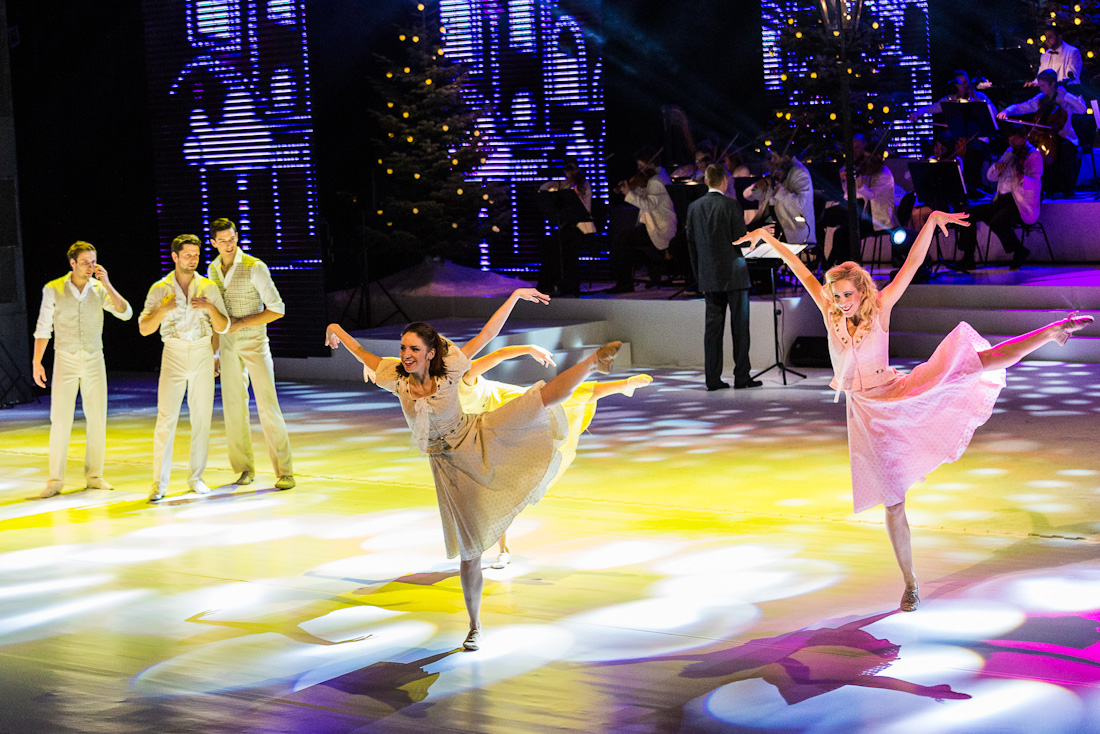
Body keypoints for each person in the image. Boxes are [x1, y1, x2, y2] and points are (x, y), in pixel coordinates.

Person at [735, 211, 1093, 612]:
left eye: (847, 295)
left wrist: (931, 222)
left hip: (899, 395)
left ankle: (1051, 331)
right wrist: (767, 239)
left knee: (975, 363)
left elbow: (911, 265)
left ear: (862, 292)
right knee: (893, 502)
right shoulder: (829, 311)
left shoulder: (881, 306)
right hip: (865, 414)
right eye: (836, 296)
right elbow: (799, 267)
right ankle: (911, 582)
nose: (841, 303)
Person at [325, 288, 626, 651]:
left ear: (431, 353)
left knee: (538, 400)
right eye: (403, 348)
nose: (405, 354)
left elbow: (488, 335)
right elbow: (360, 350)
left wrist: (515, 296)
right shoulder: (395, 377)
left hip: (480, 436)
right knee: (470, 552)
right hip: (449, 467)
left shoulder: (451, 369)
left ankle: (593, 362)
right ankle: (474, 626)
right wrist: (334, 327)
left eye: (414, 349)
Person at [453, 344, 653, 568]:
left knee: (560, 398)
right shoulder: (430, 387)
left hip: (501, 405)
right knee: (492, 490)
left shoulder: (462, 376)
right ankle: (498, 549)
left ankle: (621, 384)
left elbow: (497, 354)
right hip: (485, 429)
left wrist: (528, 348)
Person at [32, 241, 132, 498]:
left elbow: (125, 313)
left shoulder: (99, 289)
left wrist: (107, 283)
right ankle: (55, 480)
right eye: (85, 261)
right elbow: (43, 327)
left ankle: (95, 476)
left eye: (93, 261)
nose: (91, 266)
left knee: (97, 417)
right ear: (73, 263)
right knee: (60, 420)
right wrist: (37, 361)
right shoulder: (53, 288)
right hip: (65, 358)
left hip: (93, 357)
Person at [139, 234, 230, 502]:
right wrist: (162, 310)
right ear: (175, 257)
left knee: (201, 417)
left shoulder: (208, 286)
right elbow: (144, 328)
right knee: (165, 418)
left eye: (196, 255)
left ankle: (196, 478)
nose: (193, 259)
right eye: (187, 255)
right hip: (173, 352)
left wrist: (210, 309)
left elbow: (223, 326)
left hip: (202, 350)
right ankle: (159, 483)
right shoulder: (160, 288)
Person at [206, 218, 295, 490]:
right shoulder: (212, 269)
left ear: (237, 237)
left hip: (254, 340)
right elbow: (215, 315)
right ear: (214, 243)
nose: (229, 244)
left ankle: (285, 471)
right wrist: (214, 352)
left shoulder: (254, 266)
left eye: (232, 238)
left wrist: (243, 323)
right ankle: (244, 468)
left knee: (268, 405)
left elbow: (277, 309)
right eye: (223, 240)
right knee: (233, 407)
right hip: (227, 343)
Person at [686, 165, 760, 391]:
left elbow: (691, 245)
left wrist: (699, 276)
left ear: (706, 181)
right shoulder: (731, 205)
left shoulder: (693, 207)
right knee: (740, 328)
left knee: (713, 330)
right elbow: (739, 240)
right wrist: (756, 239)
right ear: (725, 182)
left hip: (709, 276)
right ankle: (742, 376)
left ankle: (712, 379)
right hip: (735, 275)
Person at [955, 126, 1042, 271]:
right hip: (1001, 200)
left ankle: (1018, 250)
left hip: (1019, 203)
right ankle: (968, 258)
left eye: (1014, 139)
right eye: (1009, 139)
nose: (1010, 142)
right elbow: (991, 177)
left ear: (1023, 137)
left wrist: (1021, 176)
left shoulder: (1034, 155)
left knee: (997, 221)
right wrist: (996, 167)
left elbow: (1035, 184)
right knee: (967, 213)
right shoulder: (1009, 152)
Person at [999, 69, 1086, 198]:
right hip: (1044, 137)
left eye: (1043, 85)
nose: (1041, 88)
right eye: (1040, 85)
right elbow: (1022, 107)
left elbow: (1082, 109)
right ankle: (1043, 187)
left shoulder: (1064, 98)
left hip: (1064, 136)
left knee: (1065, 148)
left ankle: (1066, 188)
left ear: (1052, 84)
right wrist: (1006, 111)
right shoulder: (1040, 98)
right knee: (1033, 151)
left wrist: (1066, 95)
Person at [908, 71, 997, 195]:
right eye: (961, 83)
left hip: (979, 141)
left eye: (966, 82)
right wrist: (919, 112)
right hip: (960, 139)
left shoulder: (980, 96)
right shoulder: (951, 99)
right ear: (955, 85)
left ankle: (973, 188)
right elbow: (934, 107)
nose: (964, 86)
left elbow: (994, 112)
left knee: (972, 151)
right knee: (946, 147)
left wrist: (976, 98)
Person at [606, 147, 677, 292]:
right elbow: (645, 194)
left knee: (621, 240)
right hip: (652, 225)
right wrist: (631, 189)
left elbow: (648, 205)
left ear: (649, 163)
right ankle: (652, 265)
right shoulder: (657, 176)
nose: (638, 168)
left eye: (640, 165)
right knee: (625, 243)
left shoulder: (657, 180)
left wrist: (628, 193)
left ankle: (626, 283)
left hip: (659, 228)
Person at [820, 134, 898, 268]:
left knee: (843, 232)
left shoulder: (884, 174)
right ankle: (835, 265)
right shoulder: (867, 172)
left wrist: (859, 183)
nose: (866, 162)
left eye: (868, 158)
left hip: (877, 221)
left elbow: (871, 196)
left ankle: (840, 267)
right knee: (839, 228)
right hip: (864, 216)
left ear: (878, 157)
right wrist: (845, 180)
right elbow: (850, 194)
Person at [536, 161, 595, 296]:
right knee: (552, 243)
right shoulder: (563, 185)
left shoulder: (584, 185)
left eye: (571, 169)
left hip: (583, 228)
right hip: (568, 227)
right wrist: (555, 185)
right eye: (567, 170)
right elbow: (543, 188)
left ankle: (570, 285)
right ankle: (551, 284)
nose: (569, 173)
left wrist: (576, 194)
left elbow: (585, 209)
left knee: (566, 243)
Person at [745, 151, 816, 248]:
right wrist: (759, 186)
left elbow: (801, 207)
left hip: (791, 230)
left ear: (786, 157)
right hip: (772, 225)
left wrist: (779, 190)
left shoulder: (800, 173)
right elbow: (748, 196)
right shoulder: (776, 172)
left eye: (775, 157)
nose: (772, 161)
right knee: (748, 236)